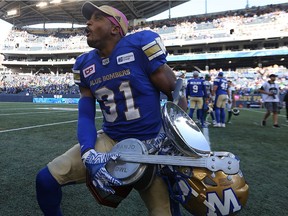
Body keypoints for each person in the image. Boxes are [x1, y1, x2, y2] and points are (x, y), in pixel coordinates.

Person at [35, 2, 186, 216]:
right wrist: (88, 152)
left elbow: (176, 93)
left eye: (98, 18)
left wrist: (173, 139)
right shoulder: (85, 64)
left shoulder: (139, 47)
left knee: (166, 211)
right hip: (111, 139)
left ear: (115, 28)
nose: (88, 22)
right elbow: (86, 113)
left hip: (152, 142)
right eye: (89, 18)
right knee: (45, 179)